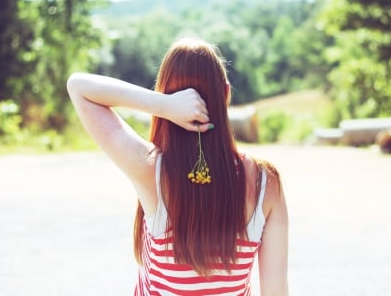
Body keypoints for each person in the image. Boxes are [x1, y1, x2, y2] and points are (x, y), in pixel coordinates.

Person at [67, 37, 288, 295]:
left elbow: (79, 86)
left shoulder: (152, 171)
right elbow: (276, 291)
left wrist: (163, 105)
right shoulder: (265, 183)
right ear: (226, 94)